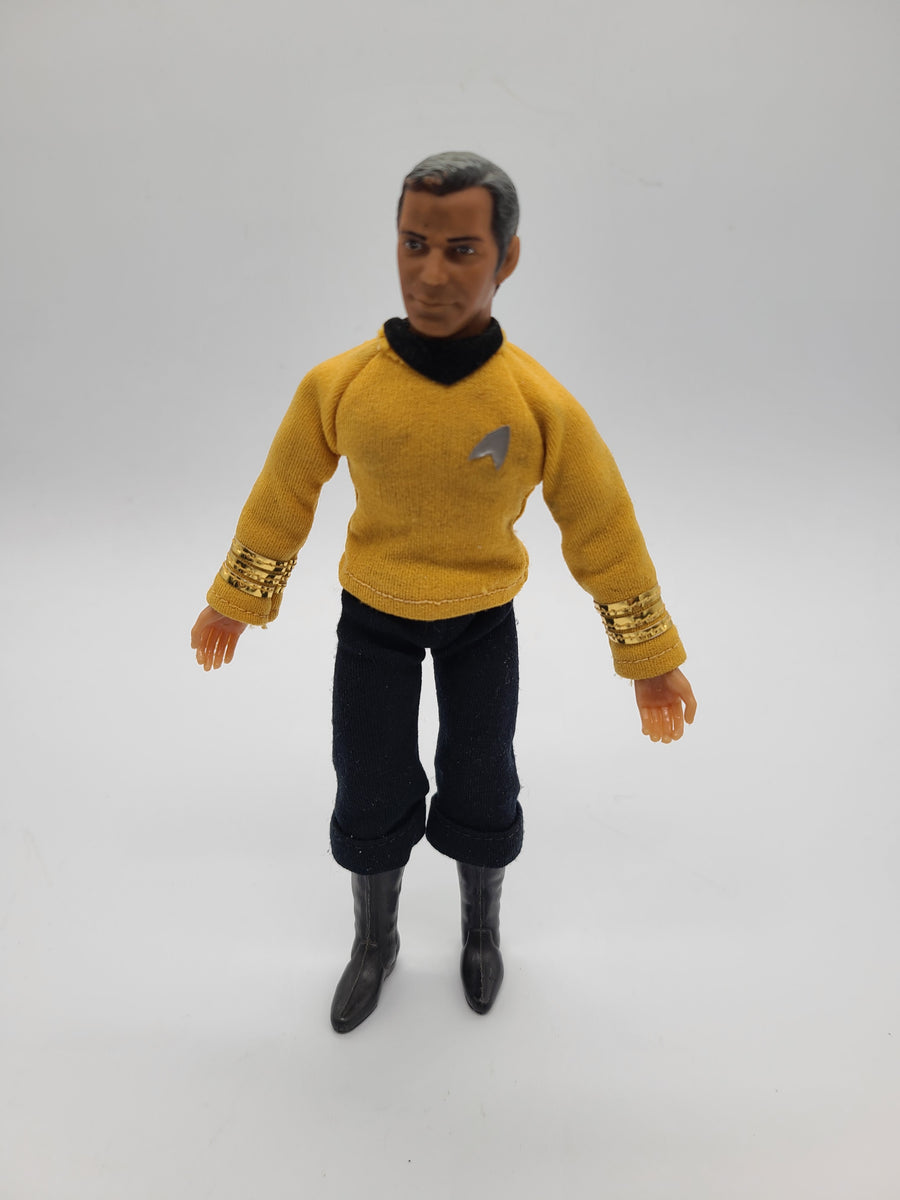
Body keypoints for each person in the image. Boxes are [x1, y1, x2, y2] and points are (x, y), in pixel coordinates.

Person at [191, 151, 697, 1034]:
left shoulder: (536, 402)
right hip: (373, 620)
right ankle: (374, 940)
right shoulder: (341, 386)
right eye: (414, 244)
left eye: (461, 250)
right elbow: (283, 495)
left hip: (481, 624)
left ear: (507, 258)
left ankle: (480, 931)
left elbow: (603, 526)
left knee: (482, 778)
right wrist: (238, 597)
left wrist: (647, 656)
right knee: (369, 778)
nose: (431, 274)